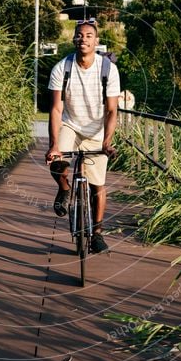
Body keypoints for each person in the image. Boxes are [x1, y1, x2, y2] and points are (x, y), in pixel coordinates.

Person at [45, 18, 120, 253]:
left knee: (98, 185)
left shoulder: (108, 69)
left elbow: (111, 110)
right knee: (57, 162)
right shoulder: (62, 68)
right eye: (79, 35)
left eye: (88, 35)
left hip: (97, 130)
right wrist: (54, 144)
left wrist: (106, 142)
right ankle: (65, 188)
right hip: (71, 124)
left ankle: (97, 233)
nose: (83, 39)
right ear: (73, 39)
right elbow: (56, 109)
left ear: (96, 41)